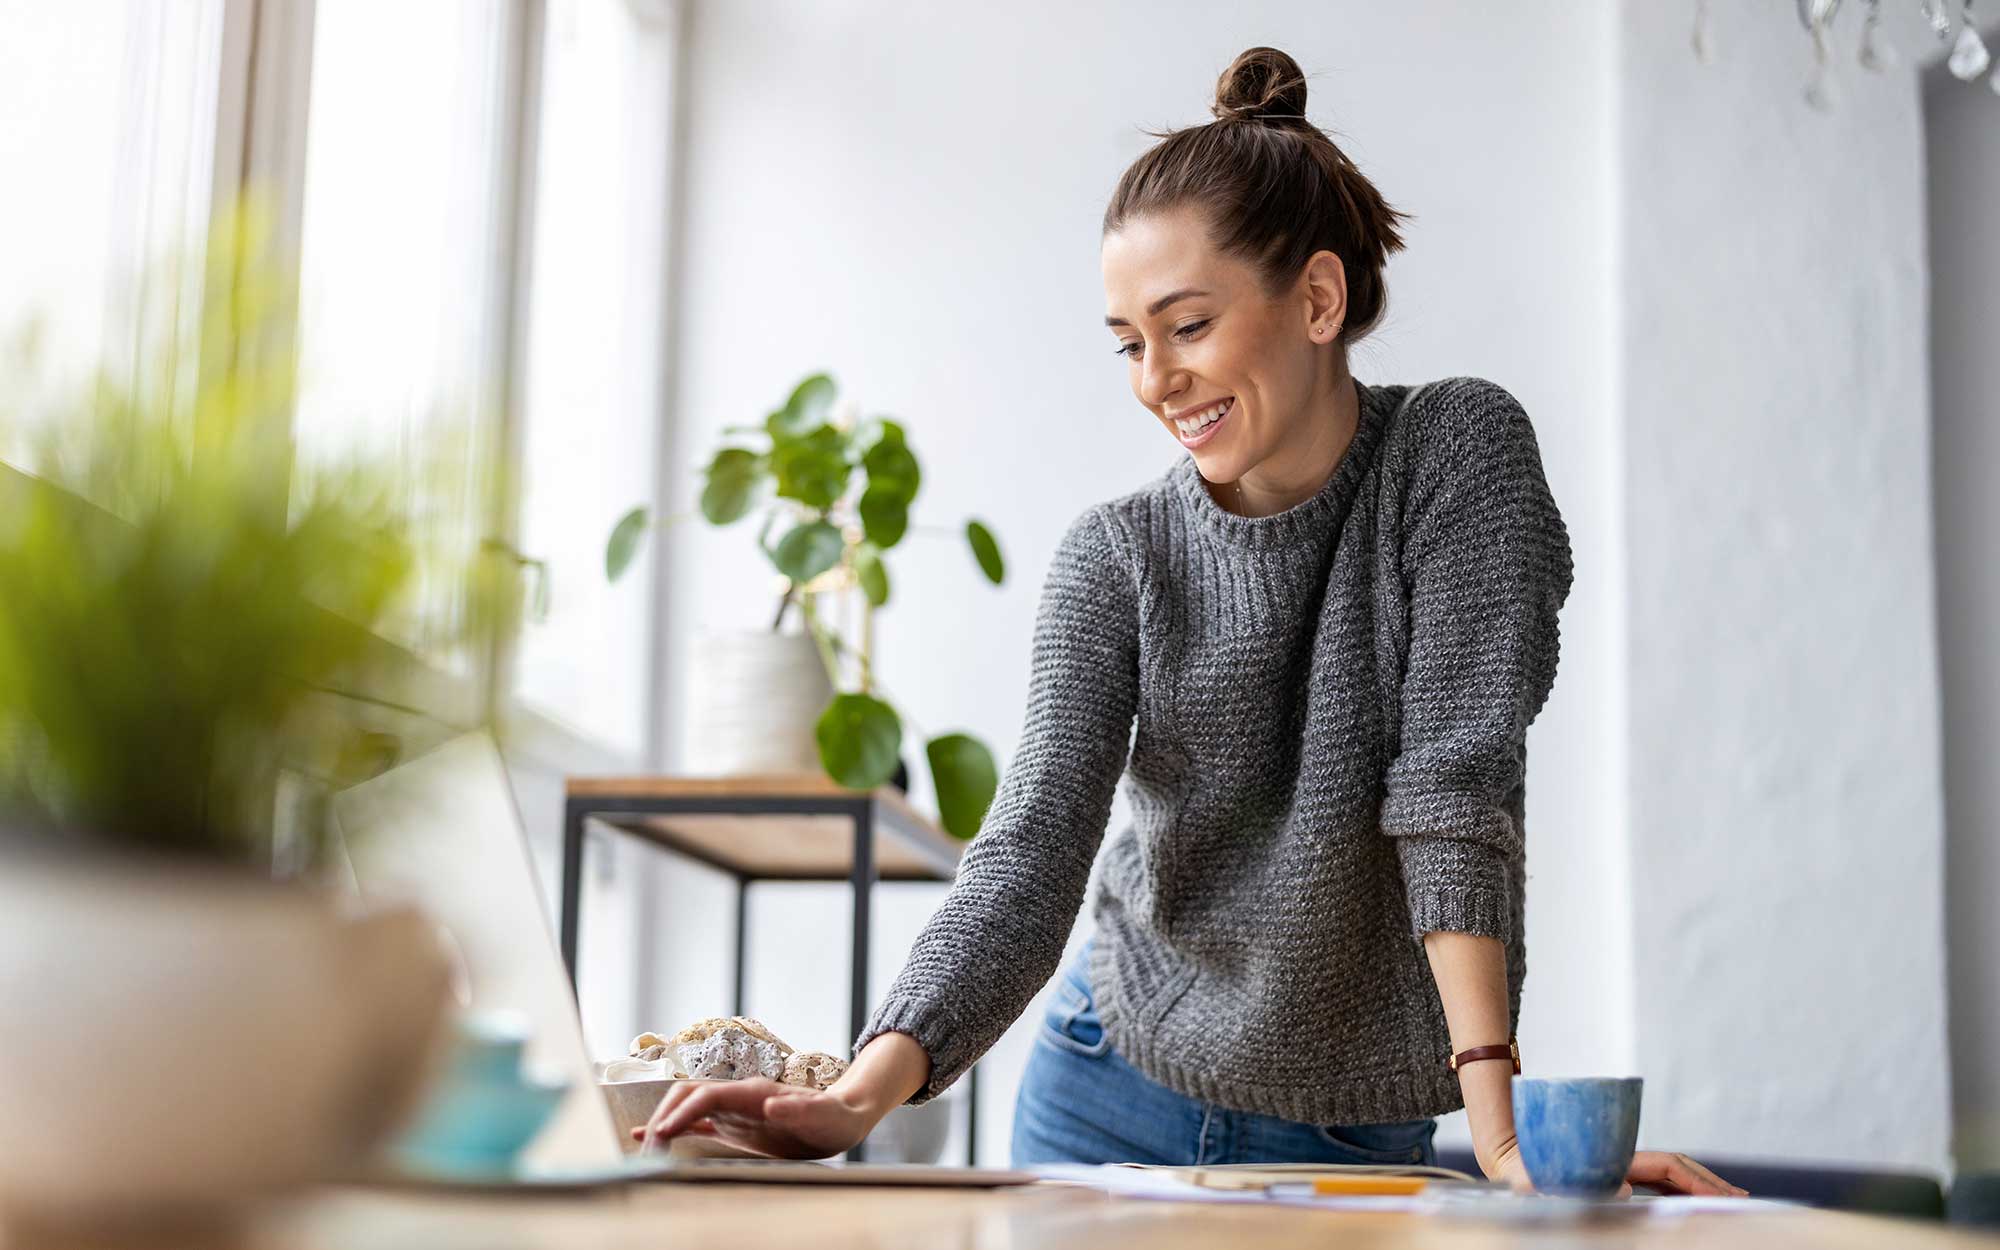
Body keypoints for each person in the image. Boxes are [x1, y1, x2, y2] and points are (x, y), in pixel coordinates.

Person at [639, 46, 1741, 1197]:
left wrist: (1505, 1134)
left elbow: (1453, 789)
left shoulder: (1455, 457)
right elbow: (1032, 846)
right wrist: (857, 1095)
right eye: (1128, 340)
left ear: (1316, 299)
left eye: (1187, 325)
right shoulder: (1112, 557)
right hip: (1104, 1081)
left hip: (1349, 1124)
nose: (1154, 378)